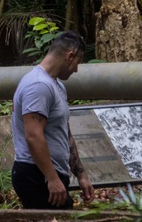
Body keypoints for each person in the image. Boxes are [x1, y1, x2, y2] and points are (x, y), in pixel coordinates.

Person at [11, 31, 95, 209]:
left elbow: (64, 133)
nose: (76, 69)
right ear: (69, 56)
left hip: (49, 174)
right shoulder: (38, 85)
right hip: (35, 174)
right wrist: (52, 179)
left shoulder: (56, 85)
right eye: (77, 63)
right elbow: (33, 136)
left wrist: (81, 175)